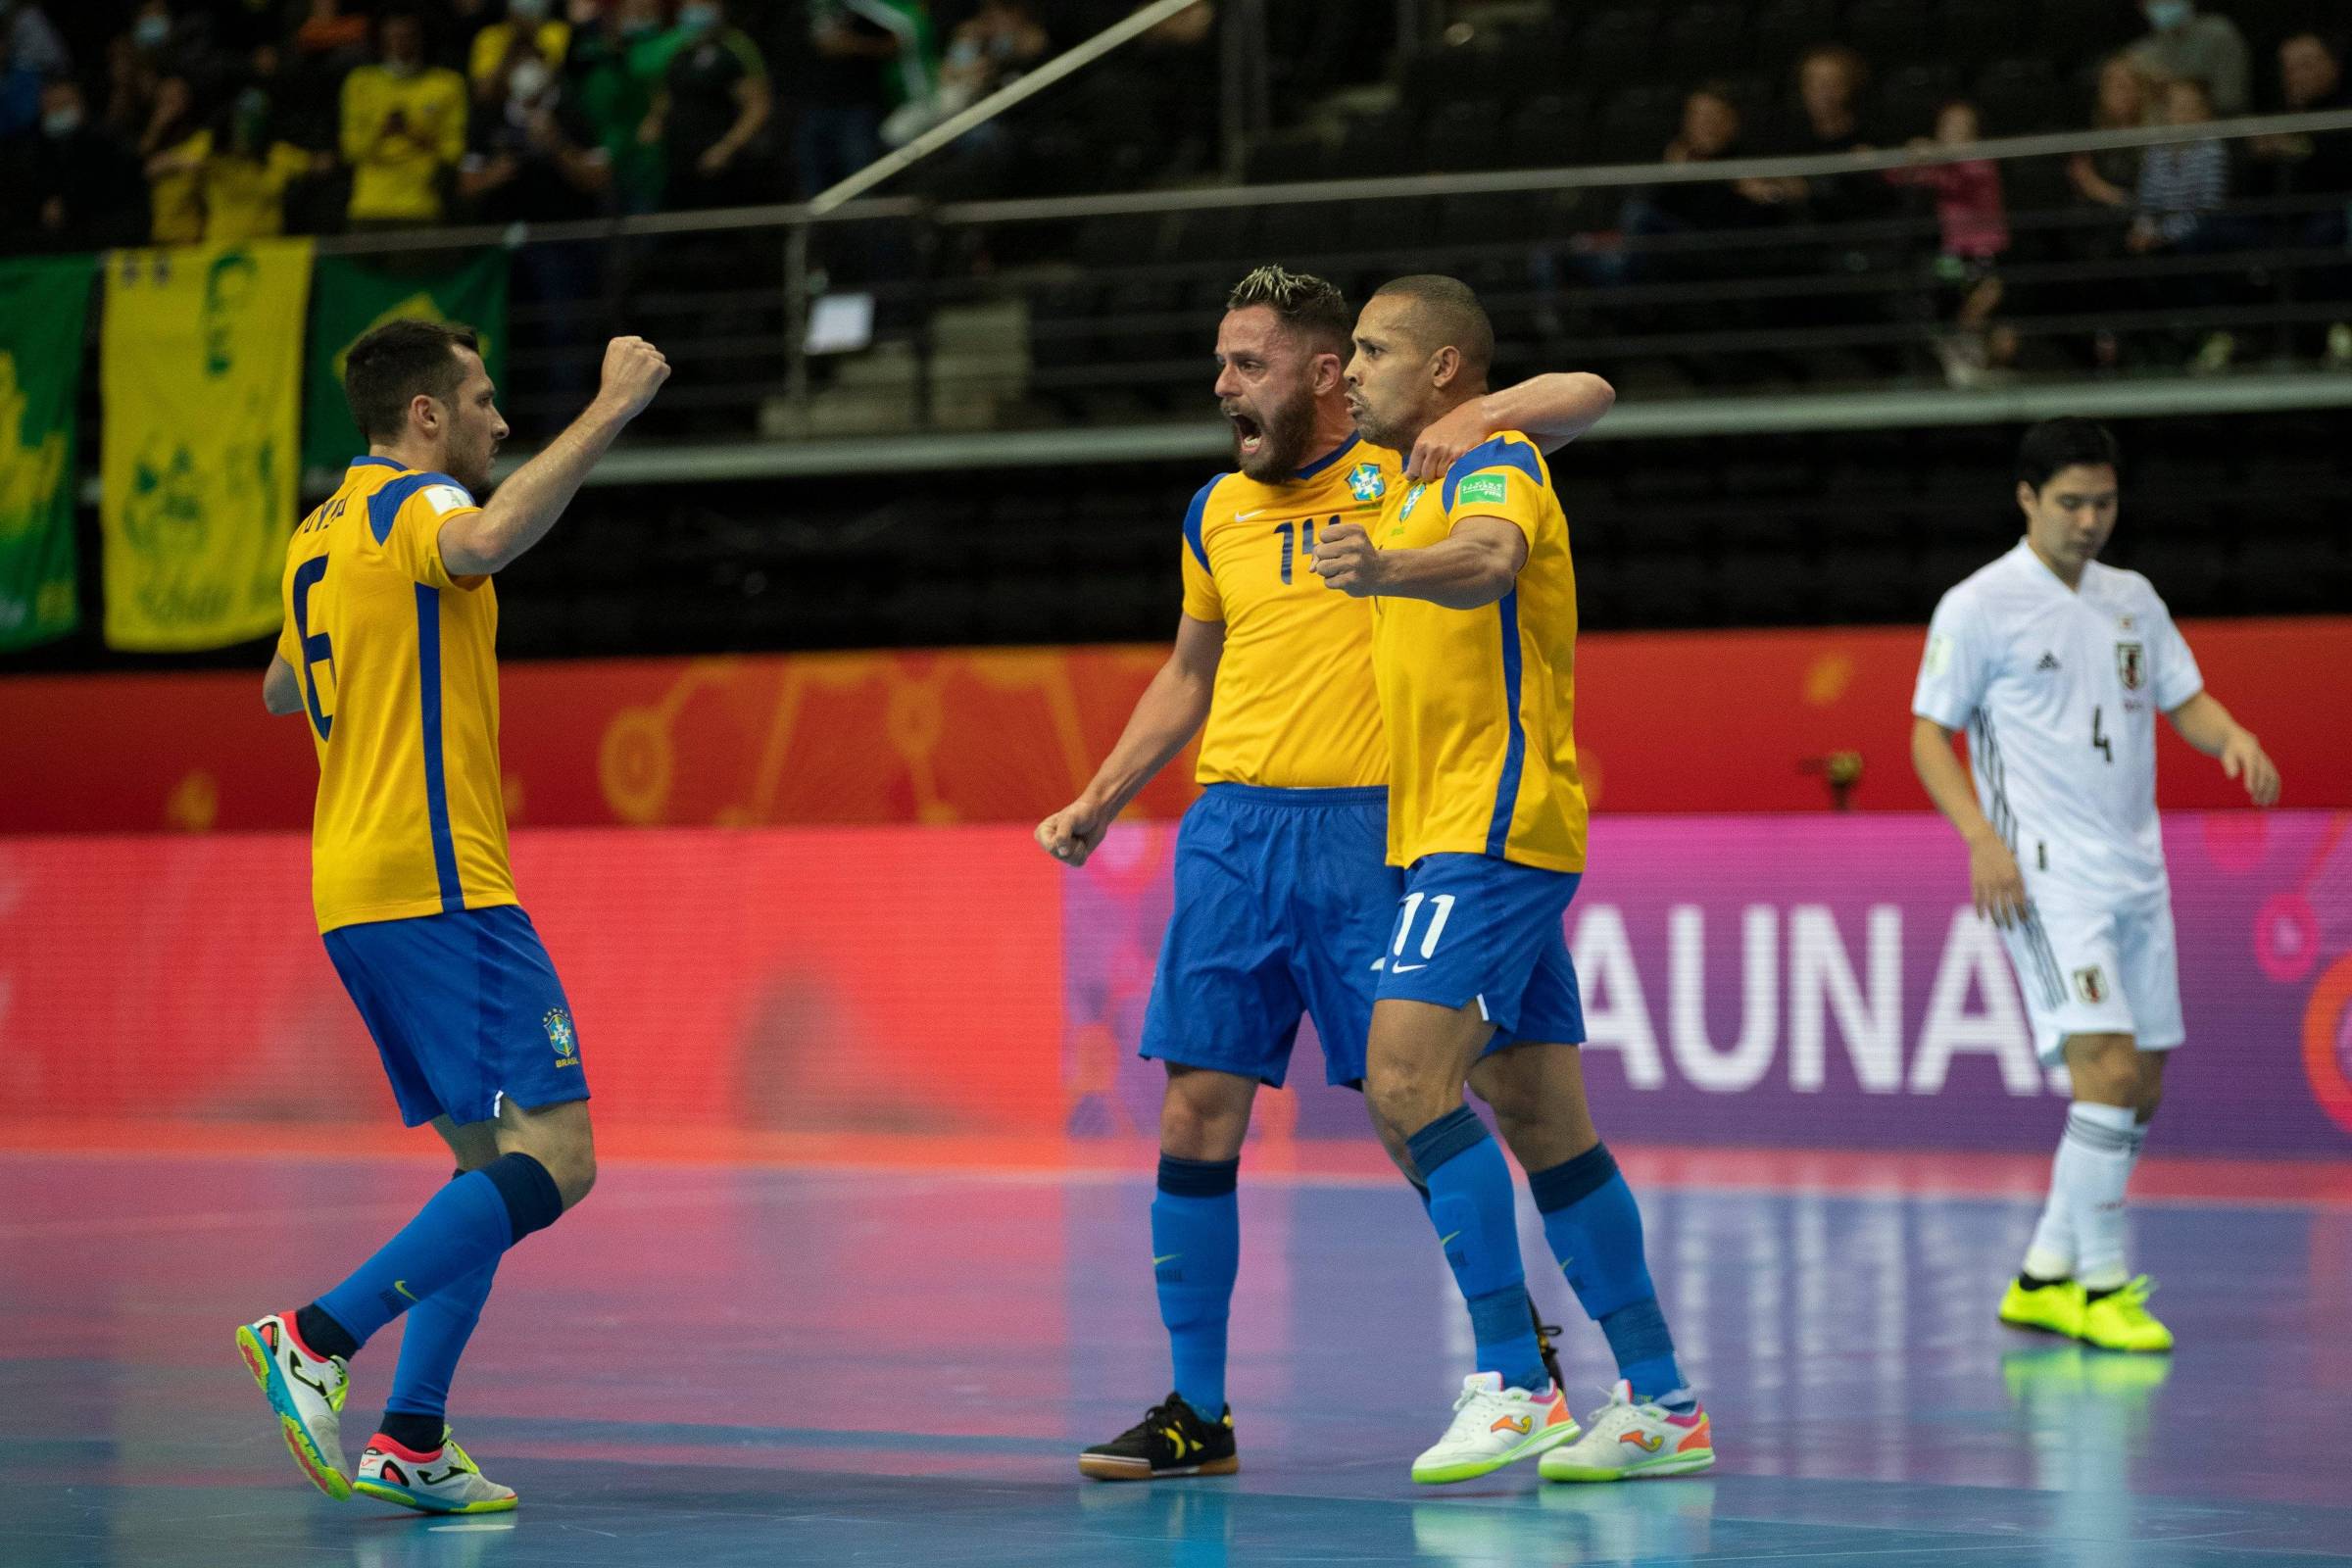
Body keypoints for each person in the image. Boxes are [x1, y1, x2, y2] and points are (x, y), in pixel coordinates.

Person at [1040, 266, 1617, 1483]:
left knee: (1422, 1110)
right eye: (1219, 363)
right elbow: (1190, 673)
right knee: (1198, 1110)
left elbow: (1589, 392)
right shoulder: (1215, 512)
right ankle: (1198, 1410)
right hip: (1233, 837)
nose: (1222, 386)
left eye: (1247, 364)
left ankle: (1520, 1357)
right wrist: (1102, 796)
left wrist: (1486, 407)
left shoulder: (1414, 461)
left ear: (1322, 376)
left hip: (1379, 831)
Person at [241, 322, 669, 1514]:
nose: (499, 421)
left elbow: (281, 686)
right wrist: (612, 407)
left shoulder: (316, 534)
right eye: (482, 399)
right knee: (559, 1156)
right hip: (441, 882)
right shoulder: (414, 505)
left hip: (350, 892)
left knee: (484, 1171)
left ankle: (411, 1437)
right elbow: (480, 538)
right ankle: (317, 1336)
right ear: (424, 416)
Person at [1310, 275, 1713, 1485]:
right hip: (1436, 829)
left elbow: (1489, 557)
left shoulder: (1495, 467)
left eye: (1374, 351)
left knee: (1402, 1079)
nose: (1351, 370)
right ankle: (1661, 1403)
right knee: (1542, 1118)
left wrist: (1388, 563)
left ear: (1443, 370)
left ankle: (1514, 1376)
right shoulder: (1389, 471)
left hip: (1494, 823)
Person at [1908, 417, 2279, 1357]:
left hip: (2135, 869)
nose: (2088, 520)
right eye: (2069, 502)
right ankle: (2101, 1285)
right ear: (2028, 500)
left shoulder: (2133, 598)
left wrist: (2230, 733)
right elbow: (1928, 734)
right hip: (2043, 874)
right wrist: (1981, 841)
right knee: (2106, 1071)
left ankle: (2041, 1277)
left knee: (2140, 1084)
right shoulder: (1979, 604)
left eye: (2103, 502)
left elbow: (2180, 696)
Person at [1887, 100, 2014, 386]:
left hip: (1985, 250)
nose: (1954, 132)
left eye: (1962, 126)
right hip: (1953, 253)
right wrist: (1892, 159)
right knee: (1941, 298)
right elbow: (1905, 176)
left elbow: (1961, 177)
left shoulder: (1982, 161)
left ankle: (1981, 359)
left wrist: (1931, 155)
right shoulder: (1942, 166)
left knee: (1981, 304)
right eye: (1948, 126)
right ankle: (1957, 358)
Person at [340, 10, 467, 227]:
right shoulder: (361, 82)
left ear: (421, 39)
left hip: (421, 207)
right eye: (393, 37)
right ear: (382, 40)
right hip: (369, 208)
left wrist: (413, 133)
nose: (400, 43)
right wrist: (382, 130)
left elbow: (454, 152)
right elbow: (351, 151)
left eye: (408, 36)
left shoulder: (447, 84)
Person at [639, 0, 769, 210]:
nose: (694, 9)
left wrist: (727, 147)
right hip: (677, 162)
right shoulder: (681, 47)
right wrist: (655, 120)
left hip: (719, 161)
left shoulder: (736, 47)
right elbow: (669, 94)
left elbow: (758, 106)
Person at [2129, 0, 2249, 118]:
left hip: (2218, 126)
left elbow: (2230, 100)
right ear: (2141, 5)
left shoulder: (2219, 35)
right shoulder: (2139, 54)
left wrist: (2189, 99)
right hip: (2160, 132)